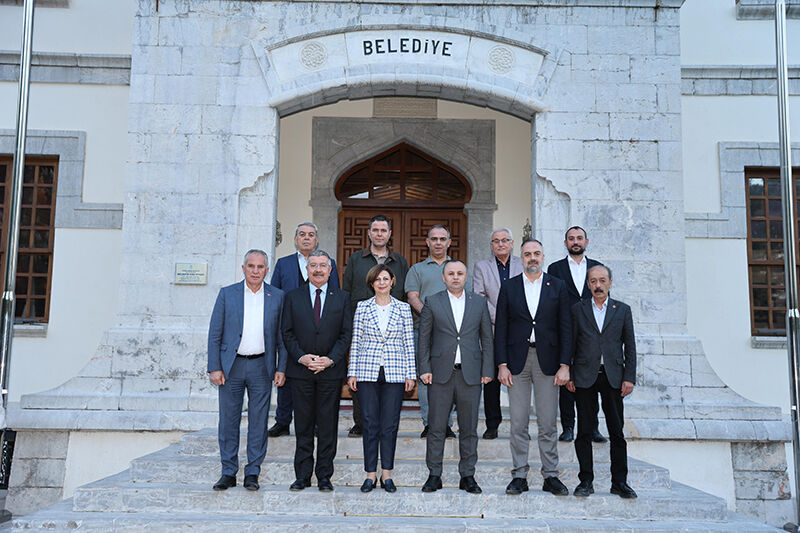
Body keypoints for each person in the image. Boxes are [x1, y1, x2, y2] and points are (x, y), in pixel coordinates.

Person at [495, 239, 572, 497]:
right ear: (521, 257)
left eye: (536, 253)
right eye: (527, 254)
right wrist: (502, 364)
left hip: (548, 363)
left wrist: (565, 365)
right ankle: (519, 475)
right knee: (518, 423)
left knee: (548, 423)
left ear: (543, 255)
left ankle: (551, 475)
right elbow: (502, 327)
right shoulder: (509, 287)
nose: (532, 258)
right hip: (517, 362)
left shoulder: (557, 286)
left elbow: (565, 328)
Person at [207, 249, 287, 492]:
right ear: (243, 268)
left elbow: (283, 337)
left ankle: (253, 472)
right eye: (251, 266)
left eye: (260, 267)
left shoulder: (278, 296)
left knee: (258, 421)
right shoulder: (227, 294)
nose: (255, 271)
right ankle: (228, 471)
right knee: (228, 421)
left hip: (262, 366)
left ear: (266, 270)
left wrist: (281, 367)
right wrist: (214, 367)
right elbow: (215, 334)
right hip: (232, 367)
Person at [417, 260, 494, 494]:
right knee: (437, 427)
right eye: (451, 273)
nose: (455, 277)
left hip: (470, 374)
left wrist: (487, 370)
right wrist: (424, 368)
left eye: (460, 273)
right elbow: (424, 339)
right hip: (440, 374)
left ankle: (468, 475)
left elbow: (487, 339)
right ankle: (434, 475)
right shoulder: (433, 301)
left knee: (469, 428)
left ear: (466, 276)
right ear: (443, 277)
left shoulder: (479, 303)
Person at [281, 250, 352, 492]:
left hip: (330, 373)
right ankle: (302, 476)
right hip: (301, 372)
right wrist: (302, 357)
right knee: (303, 426)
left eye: (323, 265)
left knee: (327, 426)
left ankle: (324, 475)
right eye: (313, 265)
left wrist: (330, 359)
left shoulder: (343, 298)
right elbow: (286, 332)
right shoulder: (292, 297)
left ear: (331, 270)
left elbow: (346, 334)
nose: (318, 270)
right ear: (307, 269)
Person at [566, 265, 638, 499]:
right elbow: (570, 344)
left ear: (610, 282)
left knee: (616, 432)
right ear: (588, 284)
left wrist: (629, 377)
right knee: (584, 431)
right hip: (585, 377)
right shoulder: (577, 310)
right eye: (593, 281)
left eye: (602, 280)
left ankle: (620, 482)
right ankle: (586, 480)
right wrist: (570, 374)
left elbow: (631, 346)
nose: (598, 285)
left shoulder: (622, 310)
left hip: (614, 378)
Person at [348, 264, 416, 493]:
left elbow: (409, 343)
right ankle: (370, 475)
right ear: (372, 283)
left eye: (386, 278)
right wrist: (352, 372)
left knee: (389, 424)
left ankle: (387, 474)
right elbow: (355, 341)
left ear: (393, 281)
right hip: (367, 371)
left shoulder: (404, 309)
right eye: (378, 279)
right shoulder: (362, 307)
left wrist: (410, 374)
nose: (382, 283)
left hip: (395, 373)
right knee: (369, 422)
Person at [268, 222, 340, 438]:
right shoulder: (284, 263)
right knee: (287, 374)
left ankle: (317, 423)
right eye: (302, 234)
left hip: (320, 329)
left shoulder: (329, 264)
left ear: (317, 239)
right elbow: (274, 293)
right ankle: (282, 420)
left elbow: (334, 293)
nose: (306, 238)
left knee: (317, 377)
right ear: (295, 239)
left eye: (310, 235)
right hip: (290, 329)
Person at [342, 214, 409, 438]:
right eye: (375, 230)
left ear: (390, 234)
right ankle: (361, 422)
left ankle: (386, 423)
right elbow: (346, 291)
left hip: (391, 327)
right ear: (369, 233)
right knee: (361, 375)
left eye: (383, 230)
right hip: (360, 324)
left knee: (389, 379)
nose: (379, 234)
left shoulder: (399, 262)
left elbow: (404, 295)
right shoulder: (355, 259)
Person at [547, 226, 606, 444]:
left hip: (592, 331)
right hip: (565, 329)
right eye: (571, 239)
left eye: (579, 238)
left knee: (592, 380)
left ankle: (592, 428)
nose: (575, 242)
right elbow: (551, 300)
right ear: (565, 243)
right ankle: (568, 427)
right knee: (566, 378)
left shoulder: (597, 268)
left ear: (586, 241)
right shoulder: (555, 268)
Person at [405, 225, 456, 439]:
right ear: (427, 242)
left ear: (448, 242)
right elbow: (412, 296)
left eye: (442, 239)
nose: (438, 242)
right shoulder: (417, 269)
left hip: (452, 334)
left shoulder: (456, 268)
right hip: (423, 331)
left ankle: (446, 424)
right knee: (426, 378)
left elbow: (463, 296)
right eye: (433, 239)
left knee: (451, 378)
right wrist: (430, 315)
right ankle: (429, 423)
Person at [472, 227, 523, 440]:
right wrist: (502, 318)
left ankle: (520, 427)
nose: (500, 244)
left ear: (512, 243)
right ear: (491, 245)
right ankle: (492, 424)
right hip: (492, 330)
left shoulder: (523, 264)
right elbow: (479, 297)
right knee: (491, 379)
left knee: (519, 379)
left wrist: (516, 318)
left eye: (504, 240)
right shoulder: (481, 267)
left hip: (520, 330)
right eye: (496, 241)